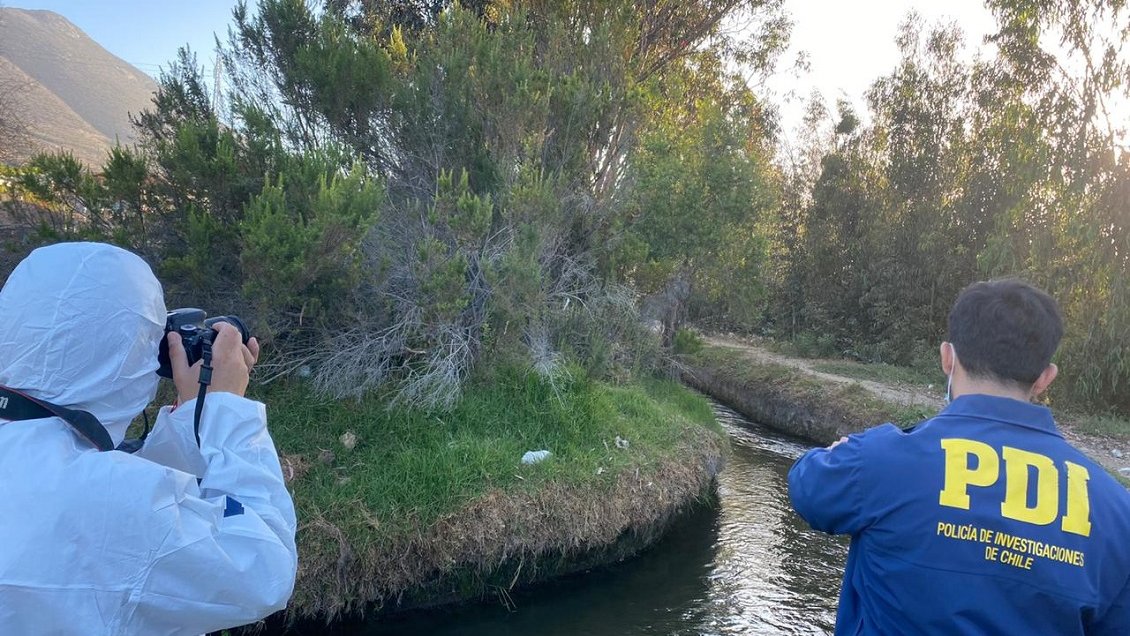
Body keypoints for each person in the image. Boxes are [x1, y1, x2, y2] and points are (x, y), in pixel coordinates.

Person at [788, 279, 1130, 635]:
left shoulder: (881, 460)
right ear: (1045, 378)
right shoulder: (1117, 512)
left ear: (947, 357)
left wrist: (839, 451)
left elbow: (807, 488)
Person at [0, 242, 298, 634]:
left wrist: (193, 412)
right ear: (126, 353)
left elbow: (130, 489)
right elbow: (264, 569)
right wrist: (226, 409)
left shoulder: (38, 453)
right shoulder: (102, 497)